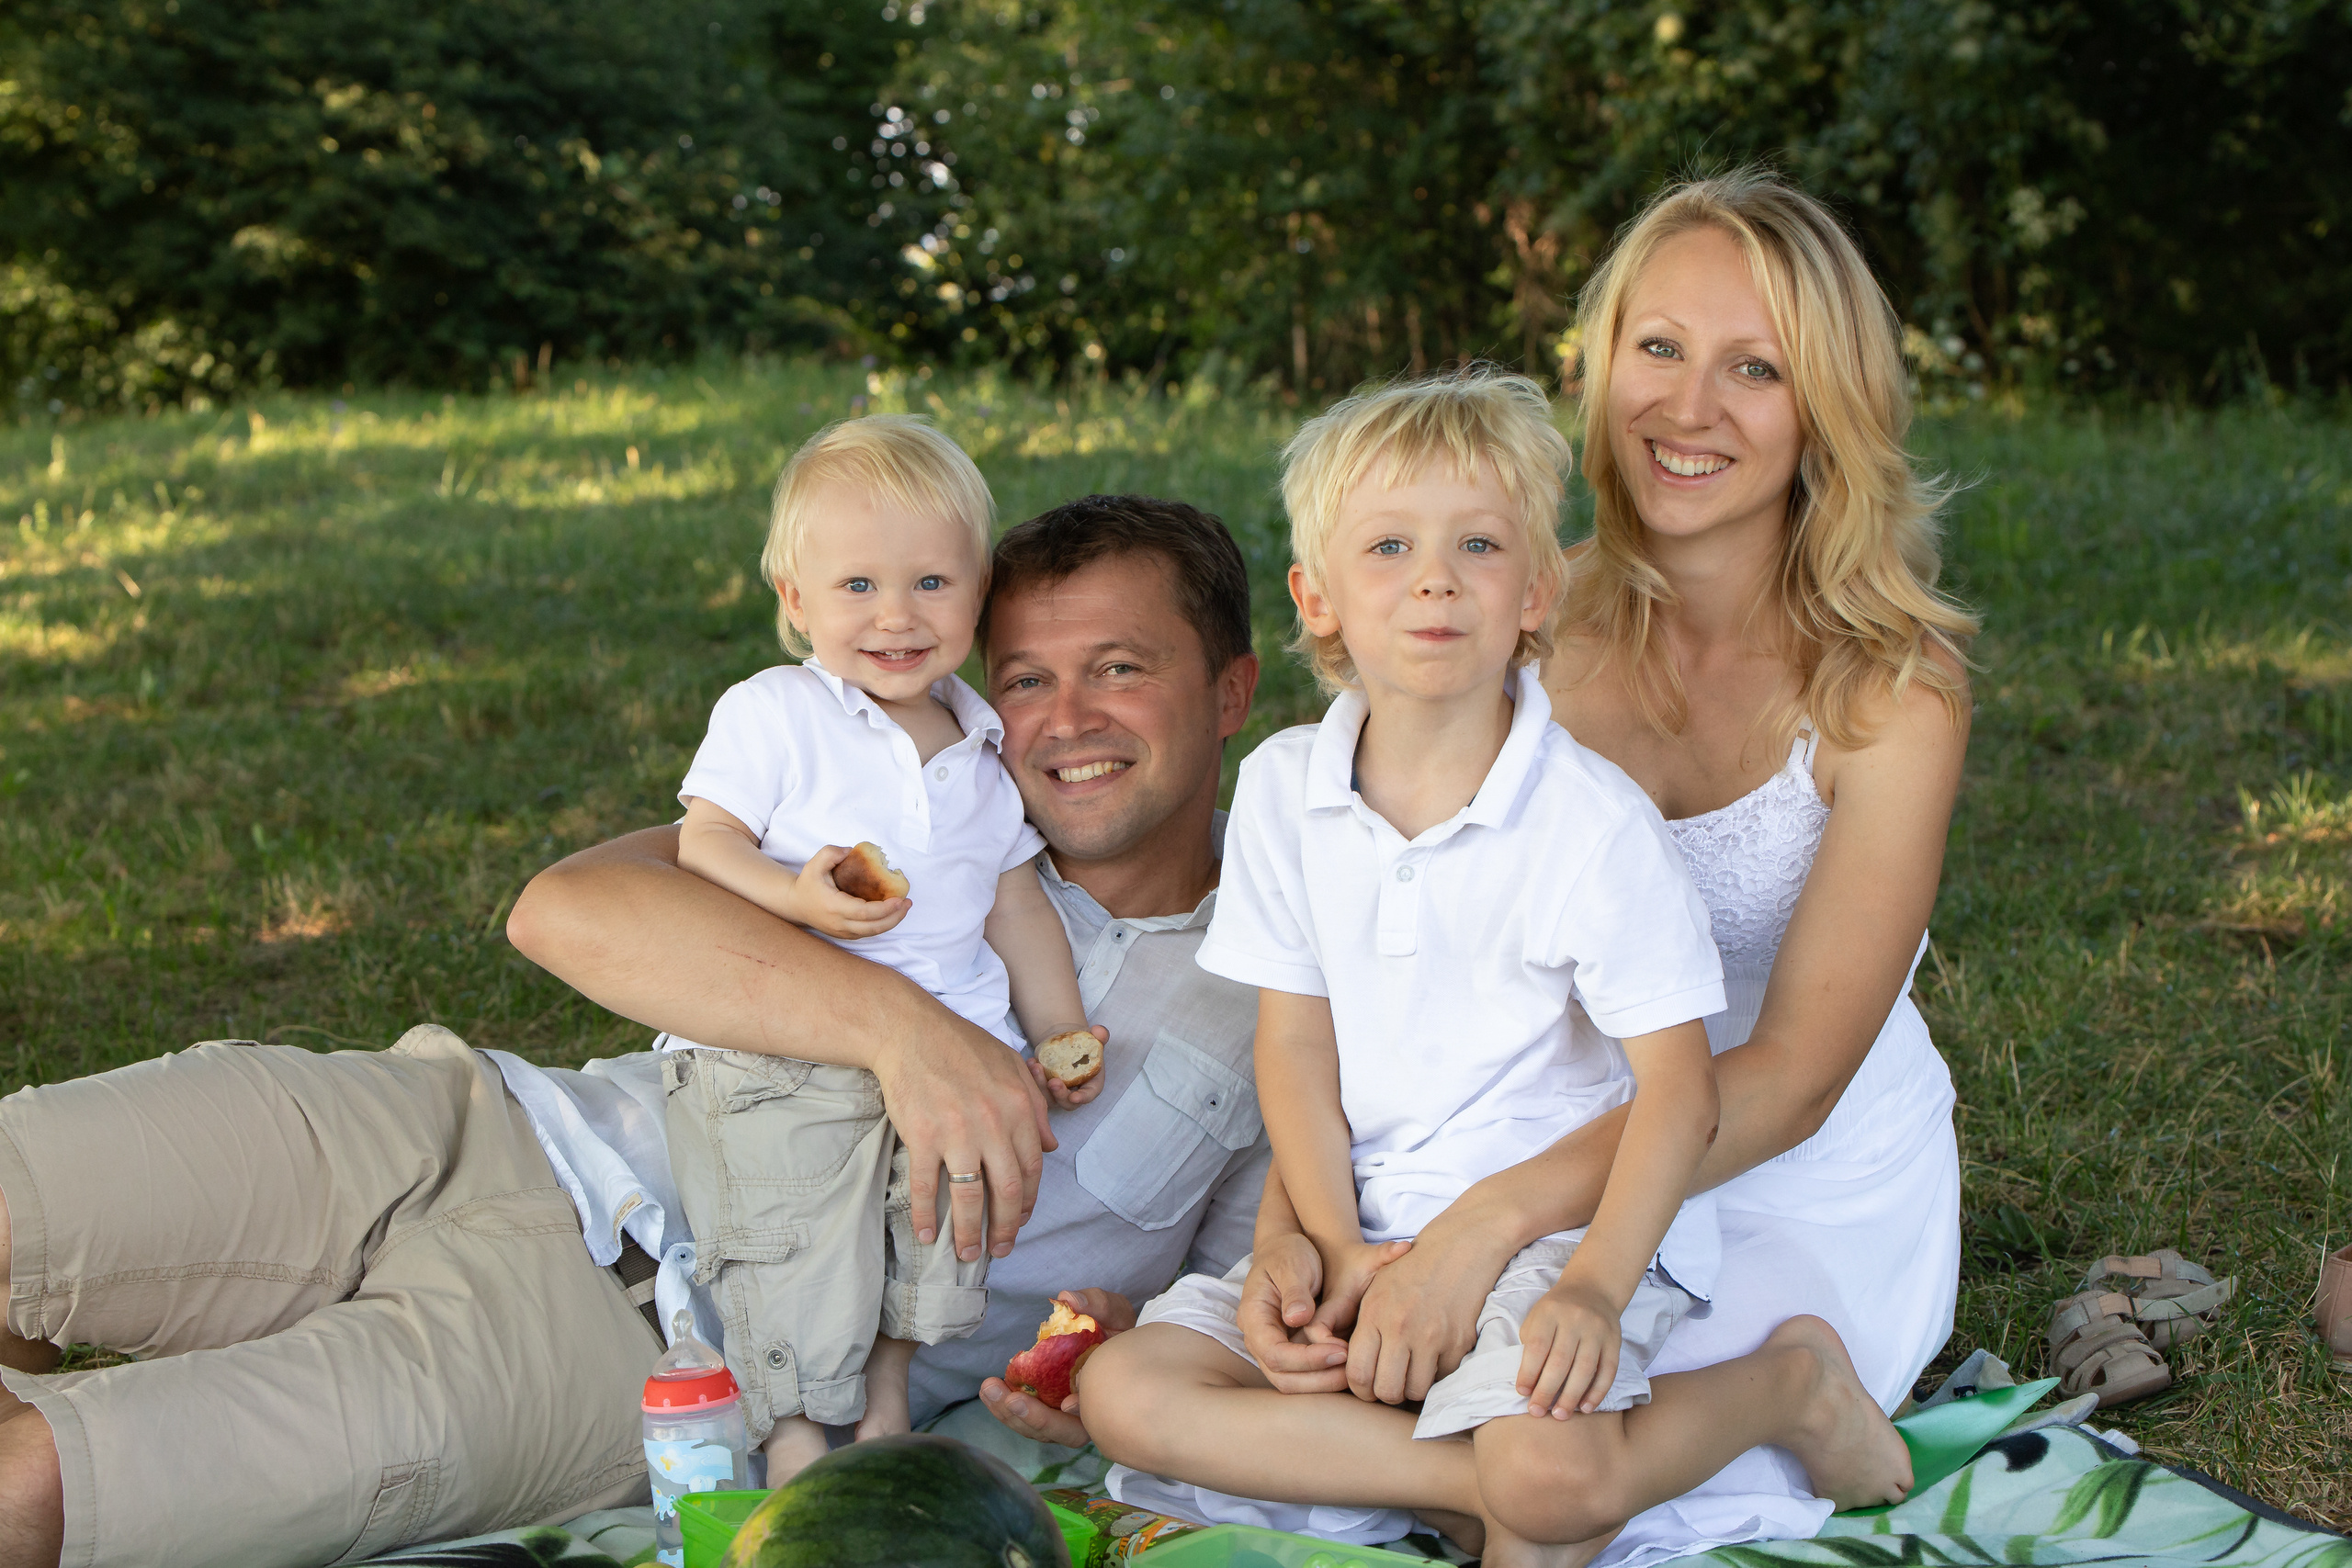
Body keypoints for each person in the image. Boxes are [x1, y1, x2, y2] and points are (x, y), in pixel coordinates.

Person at [0, 493, 1266, 1567]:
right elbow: (567, 911)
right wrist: (904, 1031)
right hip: (490, 1124)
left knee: (37, 1484)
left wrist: (1114, 1345)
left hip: (639, 1357)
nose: (1065, 719)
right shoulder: (891, 800)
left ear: (1231, 691)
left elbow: (1244, 1322)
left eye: (1120, 666)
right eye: (1028, 677)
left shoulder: (1287, 999)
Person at [1238, 169, 1977, 1564]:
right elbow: (1359, 957)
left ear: (1826, 408)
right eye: (1660, 348)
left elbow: (1796, 1075)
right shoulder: (1506, 620)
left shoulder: (1893, 689)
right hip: (1516, 1105)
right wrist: (1310, 1217)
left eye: (1755, 368)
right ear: (1601, 364)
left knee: (1560, 1437)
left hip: (1776, 1159)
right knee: (1326, 1380)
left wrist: (1485, 1225)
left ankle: (1789, 1384)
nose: (1688, 408)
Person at [1078, 369, 1913, 1568]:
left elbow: (1680, 1092)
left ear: (1536, 590)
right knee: (1129, 1389)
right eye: (1388, 546)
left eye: (1477, 542)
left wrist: (1596, 1291)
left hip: (1554, 1229)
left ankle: (1782, 1386)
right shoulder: (1280, 789)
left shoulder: (1590, 824)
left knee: (1548, 1470)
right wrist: (1318, 1240)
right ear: (1318, 598)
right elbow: (1297, 1043)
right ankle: (1474, 1483)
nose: (1434, 577)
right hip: (1365, 1206)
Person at [658, 414, 1103, 1480]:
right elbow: (701, 840)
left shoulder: (985, 750)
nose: (896, 616)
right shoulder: (777, 713)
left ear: (978, 592)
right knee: (801, 1252)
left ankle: (891, 1389)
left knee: (938, 1236)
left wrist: (1059, 1029)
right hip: (783, 1060)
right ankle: (800, 1440)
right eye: (857, 587)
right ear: (794, 602)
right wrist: (793, 893)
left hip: (953, 1047)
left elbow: (1016, 909)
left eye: (932, 585)